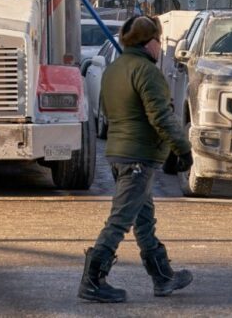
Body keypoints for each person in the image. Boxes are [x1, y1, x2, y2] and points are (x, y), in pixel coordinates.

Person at [78, 15, 194, 303]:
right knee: (120, 221)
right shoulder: (147, 72)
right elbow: (161, 116)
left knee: (143, 220)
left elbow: (106, 109)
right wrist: (182, 149)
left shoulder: (114, 69)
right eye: (158, 41)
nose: (160, 48)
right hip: (138, 156)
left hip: (119, 152)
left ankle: (163, 276)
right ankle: (93, 280)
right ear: (149, 42)